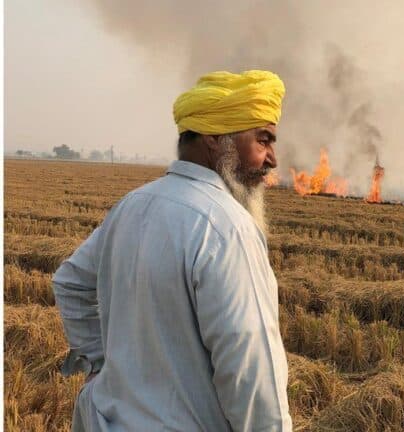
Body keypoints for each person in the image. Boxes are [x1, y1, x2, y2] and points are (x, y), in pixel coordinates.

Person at [53, 70, 292, 431]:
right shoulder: (228, 228)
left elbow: (70, 282)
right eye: (263, 140)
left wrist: (102, 363)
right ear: (216, 138)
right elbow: (252, 376)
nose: (272, 159)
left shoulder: (132, 205)